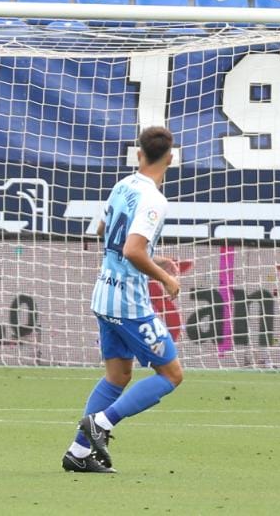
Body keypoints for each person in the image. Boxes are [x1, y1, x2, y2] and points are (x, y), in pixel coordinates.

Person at [64, 125, 185, 475]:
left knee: (117, 376)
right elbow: (132, 248)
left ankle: (78, 452)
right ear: (171, 157)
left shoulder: (123, 185)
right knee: (171, 374)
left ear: (138, 154)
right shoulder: (154, 199)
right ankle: (101, 423)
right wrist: (165, 277)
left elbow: (103, 232)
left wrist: (154, 257)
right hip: (129, 303)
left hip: (104, 293)